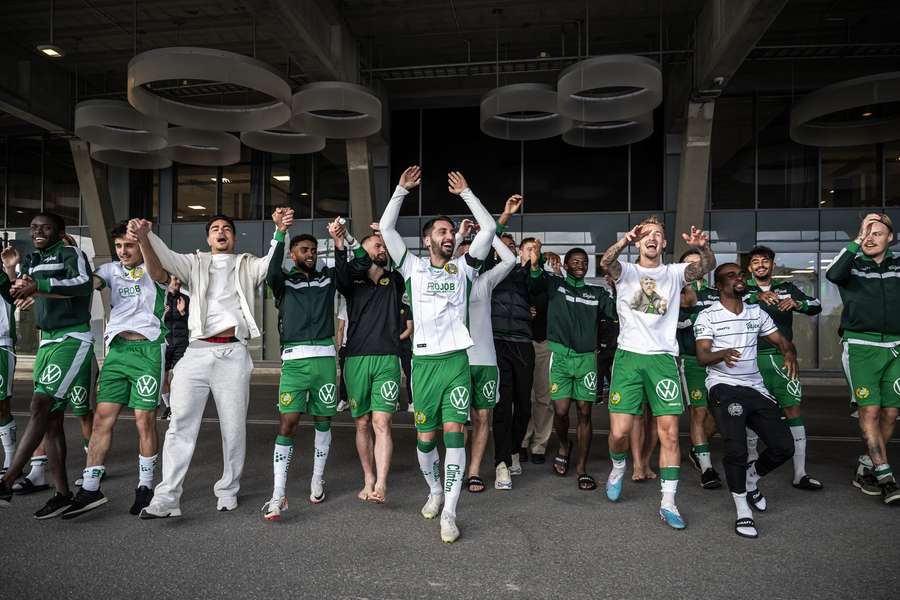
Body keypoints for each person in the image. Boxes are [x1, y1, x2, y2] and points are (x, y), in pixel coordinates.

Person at [132, 212, 279, 518]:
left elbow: (270, 263)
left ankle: (228, 489)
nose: (221, 232)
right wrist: (146, 236)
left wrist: (279, 231)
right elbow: (165, 261)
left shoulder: (246, 264)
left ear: (234, 238)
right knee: (180, 425)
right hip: (196, 353)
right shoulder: (194, 262)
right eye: (215, 229)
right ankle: (168, 497)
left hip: (233, 354)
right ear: (208, 238)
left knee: (233, 427)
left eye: (227, 228)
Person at [378, 166, 496, 543]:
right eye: (441, 232)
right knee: (426, 441)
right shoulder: (411, 267)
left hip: (456, 363)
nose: (448, 236)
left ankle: (450, 511)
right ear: (428, 239)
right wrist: (400, 190)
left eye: (450, 232)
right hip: (424, 366)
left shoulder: (465, 269)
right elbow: (386, 228)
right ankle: (434, 490)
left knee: (454, 435)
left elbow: (489, 230)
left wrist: (467, 193)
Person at [599, 216, 715, 530]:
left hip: (663, 360)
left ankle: (668, 502)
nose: (652, 238)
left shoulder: (674, 274)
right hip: (629, 358)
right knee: (620, 433)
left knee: (670, 435)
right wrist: (623, 240)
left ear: (664, 244)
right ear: (638, 242)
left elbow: (705, 266)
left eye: (658, 235)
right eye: (646, 234)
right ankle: (618, 466)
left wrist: (703, 249)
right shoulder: (627, 271)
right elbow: (605, 262)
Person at [61, 220, 170, 518]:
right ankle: (91, 488)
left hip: (148, 350)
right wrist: (70, 253)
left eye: (129, 245)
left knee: (143, 420)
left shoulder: (154, 266)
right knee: (101, 420)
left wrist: (144, 239)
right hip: (116, 352)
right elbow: (88, 283)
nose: (123, 251)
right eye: (119, 246)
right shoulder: (110, 270)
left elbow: (159, 274)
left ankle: (145, 486)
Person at [0, 213, 95, 519]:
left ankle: (7, 479)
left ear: (60, 231)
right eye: (34, 228)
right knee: (51, 420)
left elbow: (83, 284)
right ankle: (63, 494)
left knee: (40, 406)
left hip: (72, 337)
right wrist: (18, 284)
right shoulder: (30, 260)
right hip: (46, 341)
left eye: (46, 227)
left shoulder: (71, 253)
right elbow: (24, 292)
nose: (38, 232)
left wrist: (37, 286)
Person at [695, 263, 797, 538]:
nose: (739, 279)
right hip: (723, 387)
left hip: (755, 386)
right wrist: (721, 354)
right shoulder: (707, 316)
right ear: (718, 286)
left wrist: (789, 352)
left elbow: (780, 340)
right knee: (736, 449)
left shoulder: (756, 312)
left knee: (784, 446)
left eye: (740, 275)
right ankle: (743, 510)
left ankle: (752, 478)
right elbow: (703, 356)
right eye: (731, 276)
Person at [262, 212, 342, 520]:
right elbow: (271, 271)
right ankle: (278, 493)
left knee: (323, 420)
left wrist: (340, 240)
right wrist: (280, 233)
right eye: (304, 251)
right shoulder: (283, 282)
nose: (310, 254)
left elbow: (347, 270)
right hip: (293, 362)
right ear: (293, 255)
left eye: (313, 251)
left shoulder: (326, 279)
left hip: (323, 359)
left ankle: (317, 478)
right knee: (289, 423)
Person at [825, 213, 900, 504]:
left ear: (890, 237)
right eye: (865, 233)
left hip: (896, 346)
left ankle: (867, 465)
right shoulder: (852, 265)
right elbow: (832, 274)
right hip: (861, 346)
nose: (870, 238)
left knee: (891, 413)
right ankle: (885, 475)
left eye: (876, 233)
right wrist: (857, 240)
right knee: (869, 411)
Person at [329, 220, 405, 505]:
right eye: (377, 245)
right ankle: (368, 478)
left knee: (382, 422)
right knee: (362, 423)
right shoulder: (352, 281)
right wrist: (346, 241)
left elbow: (398, 255)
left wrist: (386, 236)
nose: (382, 248)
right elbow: (347, 267)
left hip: (387, 357)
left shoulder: (394, 281)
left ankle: (382, 484)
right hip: (357, 358)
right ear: (363, 250)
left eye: (384, 245)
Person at [527, 244, 615, 491]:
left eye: (584, 262)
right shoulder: (556, 286)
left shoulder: (596, 293)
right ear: (565, 265)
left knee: (585, 412)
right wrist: (543, 257)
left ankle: (582, 468)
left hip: (586, 359)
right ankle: (565, 445)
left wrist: (616, 285)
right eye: (575, 261)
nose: (581, 265)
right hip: (561, 358)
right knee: (562, 411)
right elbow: (534, 281)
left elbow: (616, 310)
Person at [744, 245, 823, 490]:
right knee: (752, 412)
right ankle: (752, 462)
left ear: (772, 265)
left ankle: (800, 473)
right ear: (749, 267)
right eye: (755, 261)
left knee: (792, 409)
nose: (760, 265)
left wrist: (797, 303)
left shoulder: (786, 288)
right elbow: (728, 301)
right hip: (751, 358)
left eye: (765, 261)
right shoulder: (743, 288)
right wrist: (756, 297)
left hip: (782, 358)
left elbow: (817, 304)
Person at [458, 198, 519, 492]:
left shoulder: (484, 281)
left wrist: (489, 232)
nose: (467, 256)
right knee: (457, 421)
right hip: (454, 361)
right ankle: (455, 468)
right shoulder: (443, 279)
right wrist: (458, 237)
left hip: (484, 360)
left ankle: (473, 472)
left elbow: (510, 260)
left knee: (483, 417)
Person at [489, 201, 535, 486]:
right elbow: (490, 235)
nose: (506, 248)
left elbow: (540, 293)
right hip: (496, 342)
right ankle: (501, 462)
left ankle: (514, 449)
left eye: (511, 245)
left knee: (524, 406)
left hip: (523, 343)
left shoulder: (525, 272)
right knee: (502, 406)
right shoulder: (486, 270)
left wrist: (534, 261)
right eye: (501, 244)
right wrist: (504, 216)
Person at [677, 249, 722, 489]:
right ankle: (706, 467)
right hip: (692, 360)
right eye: (688, 264)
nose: (694, 267)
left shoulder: (717, 294)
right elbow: (677, 323)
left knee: (719, 413)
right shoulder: (677, 293)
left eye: (698, 263)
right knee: (699, 411)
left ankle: (697, 449)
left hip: (720, 361)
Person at [520, 238, 556, 464]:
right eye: (529, 250)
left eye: (537, 250)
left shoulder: (548, 279)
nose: (533, 253)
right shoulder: (514, 277)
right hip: (520, 343)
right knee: (523, 396)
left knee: (544, 397)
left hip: (544, 343)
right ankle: (522, 441)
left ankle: (539, 444)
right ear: (520, 252)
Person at [0, 246, 19, 476]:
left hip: (1, 345)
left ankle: (11, 458)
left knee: (2, 404)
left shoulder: (5, 279)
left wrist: (9, 268)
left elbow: (13, 296)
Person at [161, 276, 189, 419]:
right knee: (163, 378)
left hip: (181, 343)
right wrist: (162, 314)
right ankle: (168, 407)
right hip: (164, 343)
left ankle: (177, 406)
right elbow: (150, 321)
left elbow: (193, 321)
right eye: (174, 279)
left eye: (179, 280)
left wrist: (183, 311)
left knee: (179, 377)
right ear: (168, 281)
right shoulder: (160, 297)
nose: (178, 282)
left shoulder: (185, 299)